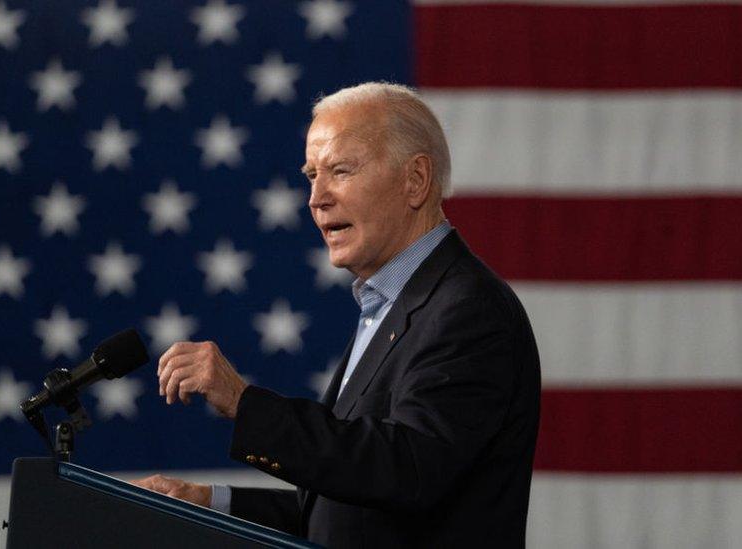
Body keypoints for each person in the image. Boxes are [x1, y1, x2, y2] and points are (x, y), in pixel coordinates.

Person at [132, 82, 540, 548]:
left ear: (416, 180)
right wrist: (209, 501)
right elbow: (347, 514)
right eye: (311, 175)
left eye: (340, 171)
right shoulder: (391, 305)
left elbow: (406, 471)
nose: (316, 198)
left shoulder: (468, 310)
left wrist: (245, 403)